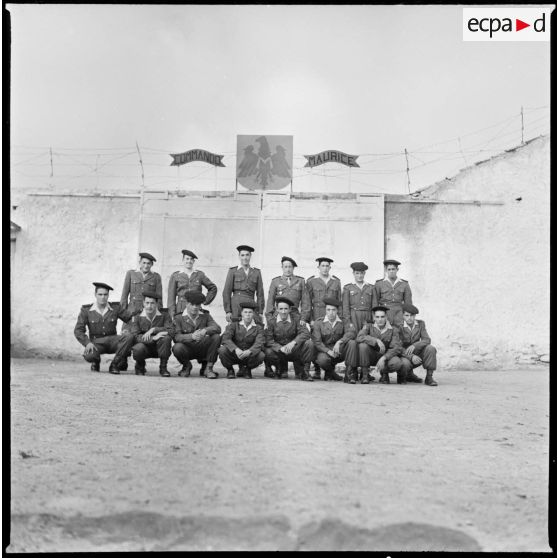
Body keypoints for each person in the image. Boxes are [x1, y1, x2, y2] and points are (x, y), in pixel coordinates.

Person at [74, 282, 135, 374]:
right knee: (90, 356)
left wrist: (127, 329)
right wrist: (87, 343)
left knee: (129, 337)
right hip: (97, 343)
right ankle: (96, 361)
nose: (103, 297)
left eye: (105, 294)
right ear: (95, 295)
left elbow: (131, 319)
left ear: (108, 295)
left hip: (113, 341)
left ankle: (114, 364)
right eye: (100, 294)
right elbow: (78, 330)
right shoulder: (86, 310)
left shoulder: (115, 308)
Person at [171, 291, 222, 379]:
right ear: (186, 304)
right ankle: (186, 366)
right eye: (192, 304)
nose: (195, 307)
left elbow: (217, 328)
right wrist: (192, 336)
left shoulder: (205, 316)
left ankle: (208, 368)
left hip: (201, 347)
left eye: (197, 305)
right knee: (177, 347)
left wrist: (204, 330)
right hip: (187, 348)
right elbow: (176, 337)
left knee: (216, 337)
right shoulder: (178, 318)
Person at [306, 257, 342, 380]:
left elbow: (339, 302)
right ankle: (316, 369)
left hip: (331, 316)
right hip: (317, 315)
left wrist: (339, 318)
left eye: (327, 266)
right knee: (317, 342)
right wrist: (309, 318)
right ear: (318, 267)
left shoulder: (336, 282)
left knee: (330, 341)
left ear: (330, 268)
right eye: (323, 266)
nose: (325, 268)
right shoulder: (311, 281)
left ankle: (328, 370)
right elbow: (307, 301)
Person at [264, 296, 314, 381]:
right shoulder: (271, 321)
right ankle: (278, 368)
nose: (283, 312)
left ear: (290, 309)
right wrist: (280, 348)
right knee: (267, 351)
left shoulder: (297, 319)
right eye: (281, 309)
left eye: (286, 309)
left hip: (293, 351)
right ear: (277, 309)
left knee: (309, 344)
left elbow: (305, 333)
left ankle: (305, 372)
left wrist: (293, 343)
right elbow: (269, 340)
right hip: (279, 353)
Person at [311, 297, 358, 382]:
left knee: (352, 343)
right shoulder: (319, 323)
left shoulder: (344, 321)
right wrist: (328, 351)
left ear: (337, 311)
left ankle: (348, 374)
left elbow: (352, 332)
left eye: (333, 310)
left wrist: (340, 342)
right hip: (325, 351)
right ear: (325, 310)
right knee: (322, 360)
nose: (331, 313)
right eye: (328, 310)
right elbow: (317, 342)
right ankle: (331, 373)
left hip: (339, 350)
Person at [356, 305, 404, 385]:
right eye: (377, 317)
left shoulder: (393, 329)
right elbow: (359, 337)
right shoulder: (369, 326)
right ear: (374, 317)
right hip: (371, 356)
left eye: (382, 317)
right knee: (362, 346)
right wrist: (375, 340)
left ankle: (384, 374)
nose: (380, 319)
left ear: (386, 317)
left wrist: (384, 358)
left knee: (397, 362)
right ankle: (365, 375)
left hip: (386, 357)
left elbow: (396, 348)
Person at [129, 291, 173, 377]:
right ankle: (140, 365)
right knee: (138, 348)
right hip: (144, 348)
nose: (149, 306)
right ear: (143, 303)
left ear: (156, 304)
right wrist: (153, 338)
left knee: (166, 338)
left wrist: (154, 330)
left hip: (159, 349)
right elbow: (135, 336)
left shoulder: (164, 315)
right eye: (147, 303)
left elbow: (171, 331)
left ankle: (163, 368)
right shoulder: (137, 316)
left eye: (152, 303)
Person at [218, 300, 265, 379]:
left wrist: (249, 351)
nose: (247, 315)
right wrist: (235, 349)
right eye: (245, 312)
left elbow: (259, 343)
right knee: (222, 350)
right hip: (235, 354)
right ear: (242, 314)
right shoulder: (234, 325)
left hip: (249, 356)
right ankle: (230, 370)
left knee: (261, 355)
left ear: (253, 314)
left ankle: (248, 369)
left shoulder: (258, 328)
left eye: (250, 312)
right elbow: (225, 338)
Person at [167, 249, 217, 318]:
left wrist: (205, 301)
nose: (189, 261)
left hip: (196, 309)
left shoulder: (199, 275)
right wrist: (172, 315)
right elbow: (171, 299)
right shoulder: (175, 276)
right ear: (183, 260)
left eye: (191, 259)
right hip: (180, 310)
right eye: (187, 259)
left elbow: (213, 288)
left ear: (193, 261)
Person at [222, 245, 265, 324]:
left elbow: (260, 294)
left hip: (250, 305)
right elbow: (226, 292)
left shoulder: (256, 272)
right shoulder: (233, 271)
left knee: (252, 329)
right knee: (234, 328)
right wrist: (228, 310)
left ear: (250, 256)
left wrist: (260, 312)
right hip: (236, 305)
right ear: (239, 256)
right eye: (242, 255)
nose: (245, 258)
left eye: (247, 255)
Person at [398, 304, 439, 386]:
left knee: (430, 349)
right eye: (407, 315)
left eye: (412, 315)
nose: (410, 318)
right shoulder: (398, 326)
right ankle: (404, 376)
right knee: (405, 364)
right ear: (402, 315)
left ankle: (429, 377)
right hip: (403, 355)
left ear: (415, 316)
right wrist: (411, 356)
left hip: (416, 352)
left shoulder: (420, 324)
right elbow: (397, 346)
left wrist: (415, 345)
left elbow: (427, 339)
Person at [265, 256, 310, 324]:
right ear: (282, 267)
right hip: (279, 315)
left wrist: (303, 318)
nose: (288, 269)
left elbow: (305, 302)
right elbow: (270, 302)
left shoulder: (300, 281)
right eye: (285, 267)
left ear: (293, 268)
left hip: (295, 315)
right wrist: (269, 318)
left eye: (290, 267)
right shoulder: (275, 281)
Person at [374, 259, 412, 327]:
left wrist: (407, 317)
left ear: (397, 269)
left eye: (393, 269)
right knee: (386, 334)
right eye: (389, 269)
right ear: (386, 270)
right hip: (384, 313)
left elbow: (408, 303)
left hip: (399, 314)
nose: (391, 271)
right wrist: (375, 317)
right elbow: (375, 302)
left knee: (399, 334)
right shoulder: (379, 284)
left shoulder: (404, 284)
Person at [342, 262, 377, 332]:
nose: (359, 276)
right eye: (357, 273)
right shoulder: (348, 288)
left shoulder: (371, 287)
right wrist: (348, 322)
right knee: (353, 336)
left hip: (367, 316)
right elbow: (345, 307)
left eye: (361, 273)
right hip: (353, 316)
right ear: (353, 273)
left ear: (364, 273)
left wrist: (374, 319)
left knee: (366, 336)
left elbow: (374, 306)